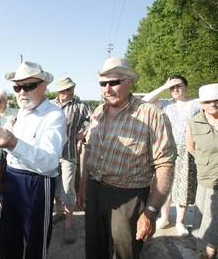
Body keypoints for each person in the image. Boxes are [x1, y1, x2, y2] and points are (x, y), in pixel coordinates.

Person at [76, 57, 177, 259]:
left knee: (126, 253)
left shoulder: (152, 115)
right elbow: (90, 151)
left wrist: (150, 212)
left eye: (114, 82)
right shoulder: (98, 112)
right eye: (103, 84)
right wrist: (83, 186)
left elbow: (165, 165)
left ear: (130, 82)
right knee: (94, 250)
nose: (107, 88)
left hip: (128, 197)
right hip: (95, 191)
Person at [0, 61, 67, 259]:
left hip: (38, 183)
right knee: (8, 239)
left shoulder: (54, 115)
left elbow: (50, 162)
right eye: (17, 87)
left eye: (29, 86)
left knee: (35, 244)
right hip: (12, 180)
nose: (22, 92)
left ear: (44, 86)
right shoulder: (21, 112)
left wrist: (12, 142)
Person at [142, 75, 199, 235]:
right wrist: (164, 86)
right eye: (172, 87)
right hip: (165, 150)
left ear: (186, 87)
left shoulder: (195, 103)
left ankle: (180, 222)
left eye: (179, 86)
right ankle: (165, 217)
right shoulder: (165, 104)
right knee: (164, 185)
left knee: (184, 187)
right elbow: (145, 101)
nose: (175, 89)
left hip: (187, 151)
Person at [51, 77, 91, 244]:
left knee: (68, 188)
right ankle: (59, 212)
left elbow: (93, 119)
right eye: (67, 89)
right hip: (50, 154)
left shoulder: (80, 105)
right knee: (54, 185)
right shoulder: (49, 105)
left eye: (72, 88)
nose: (71, 91)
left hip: (69, 153)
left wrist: (83, 134)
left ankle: (69, 224)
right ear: (60, 91)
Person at [187, 83, 218, 259]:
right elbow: (191, 146)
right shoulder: (194, 121)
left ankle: (209, 251)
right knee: (205, 215)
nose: (213, 104)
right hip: (205, 176)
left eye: (217, 100)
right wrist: (203, 159)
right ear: (201, 104)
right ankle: (206, 250)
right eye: (208, 101)